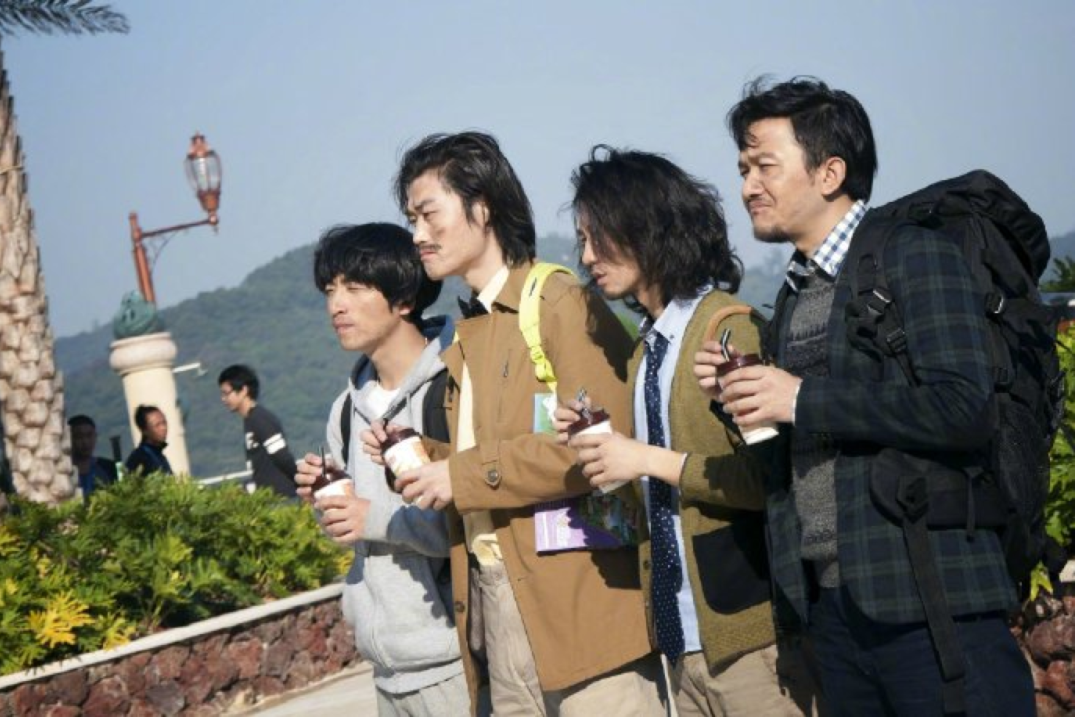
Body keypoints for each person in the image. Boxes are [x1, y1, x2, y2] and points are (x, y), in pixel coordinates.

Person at [695, 76, 1034, 716]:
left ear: (830, 173)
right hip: (835, 611)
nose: (748, 187)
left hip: (933, 603)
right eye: (742, 169)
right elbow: (803, 458)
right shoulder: (794, 296)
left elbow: (965, 407)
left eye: (765, 165)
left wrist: (802, 399)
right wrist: (741, 400)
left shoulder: (915, 254)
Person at [371, 131, 664, 716]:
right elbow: (493, 457)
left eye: (429, 214)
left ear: (482, 208)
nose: (417, 235)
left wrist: (459, 475)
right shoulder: (471, 331)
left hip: (581, 610)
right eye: (411, 220)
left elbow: (599, 447)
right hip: (496, 605)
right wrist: (420, 457)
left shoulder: (556, 301)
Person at [554, 145, 819, 717]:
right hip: (678, 642)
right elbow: (655, 494)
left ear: (649, 228)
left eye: (600, 236)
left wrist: (645, 459)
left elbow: (767, 482)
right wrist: (602, 452)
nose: (588, 255)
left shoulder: (729, 331)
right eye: (582, 240)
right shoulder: (645, 351)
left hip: (750, 637)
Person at [293, 222, 472, 716]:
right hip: (385, 666)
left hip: (453, 660)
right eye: (330, 290)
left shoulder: (452, 389)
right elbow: (353, 533)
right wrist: (327, 501)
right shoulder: (345, 410)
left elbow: (473, 522)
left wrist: (369, 515)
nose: (337, 305)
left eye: (355, 288)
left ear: (404, 299)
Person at [218, 364, 299, 499]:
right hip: (269, 497)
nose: (223, 399)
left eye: (226, 393)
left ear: (243, 390)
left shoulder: (259, 419)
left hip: (282, 498)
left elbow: (282, 456)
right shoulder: (250, 420)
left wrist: (302, 484)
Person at [69, 414, 118, 500]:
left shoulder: (110, 468)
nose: (85, 442)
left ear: (95, 436)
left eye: (89, 435)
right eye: (79, 437)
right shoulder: (65, 472)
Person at [125, 404, 173, 476]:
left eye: (164, 422)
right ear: (144, 430)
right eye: (157, 425)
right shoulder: (139, 458)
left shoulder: (159, 456)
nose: (163, 428)